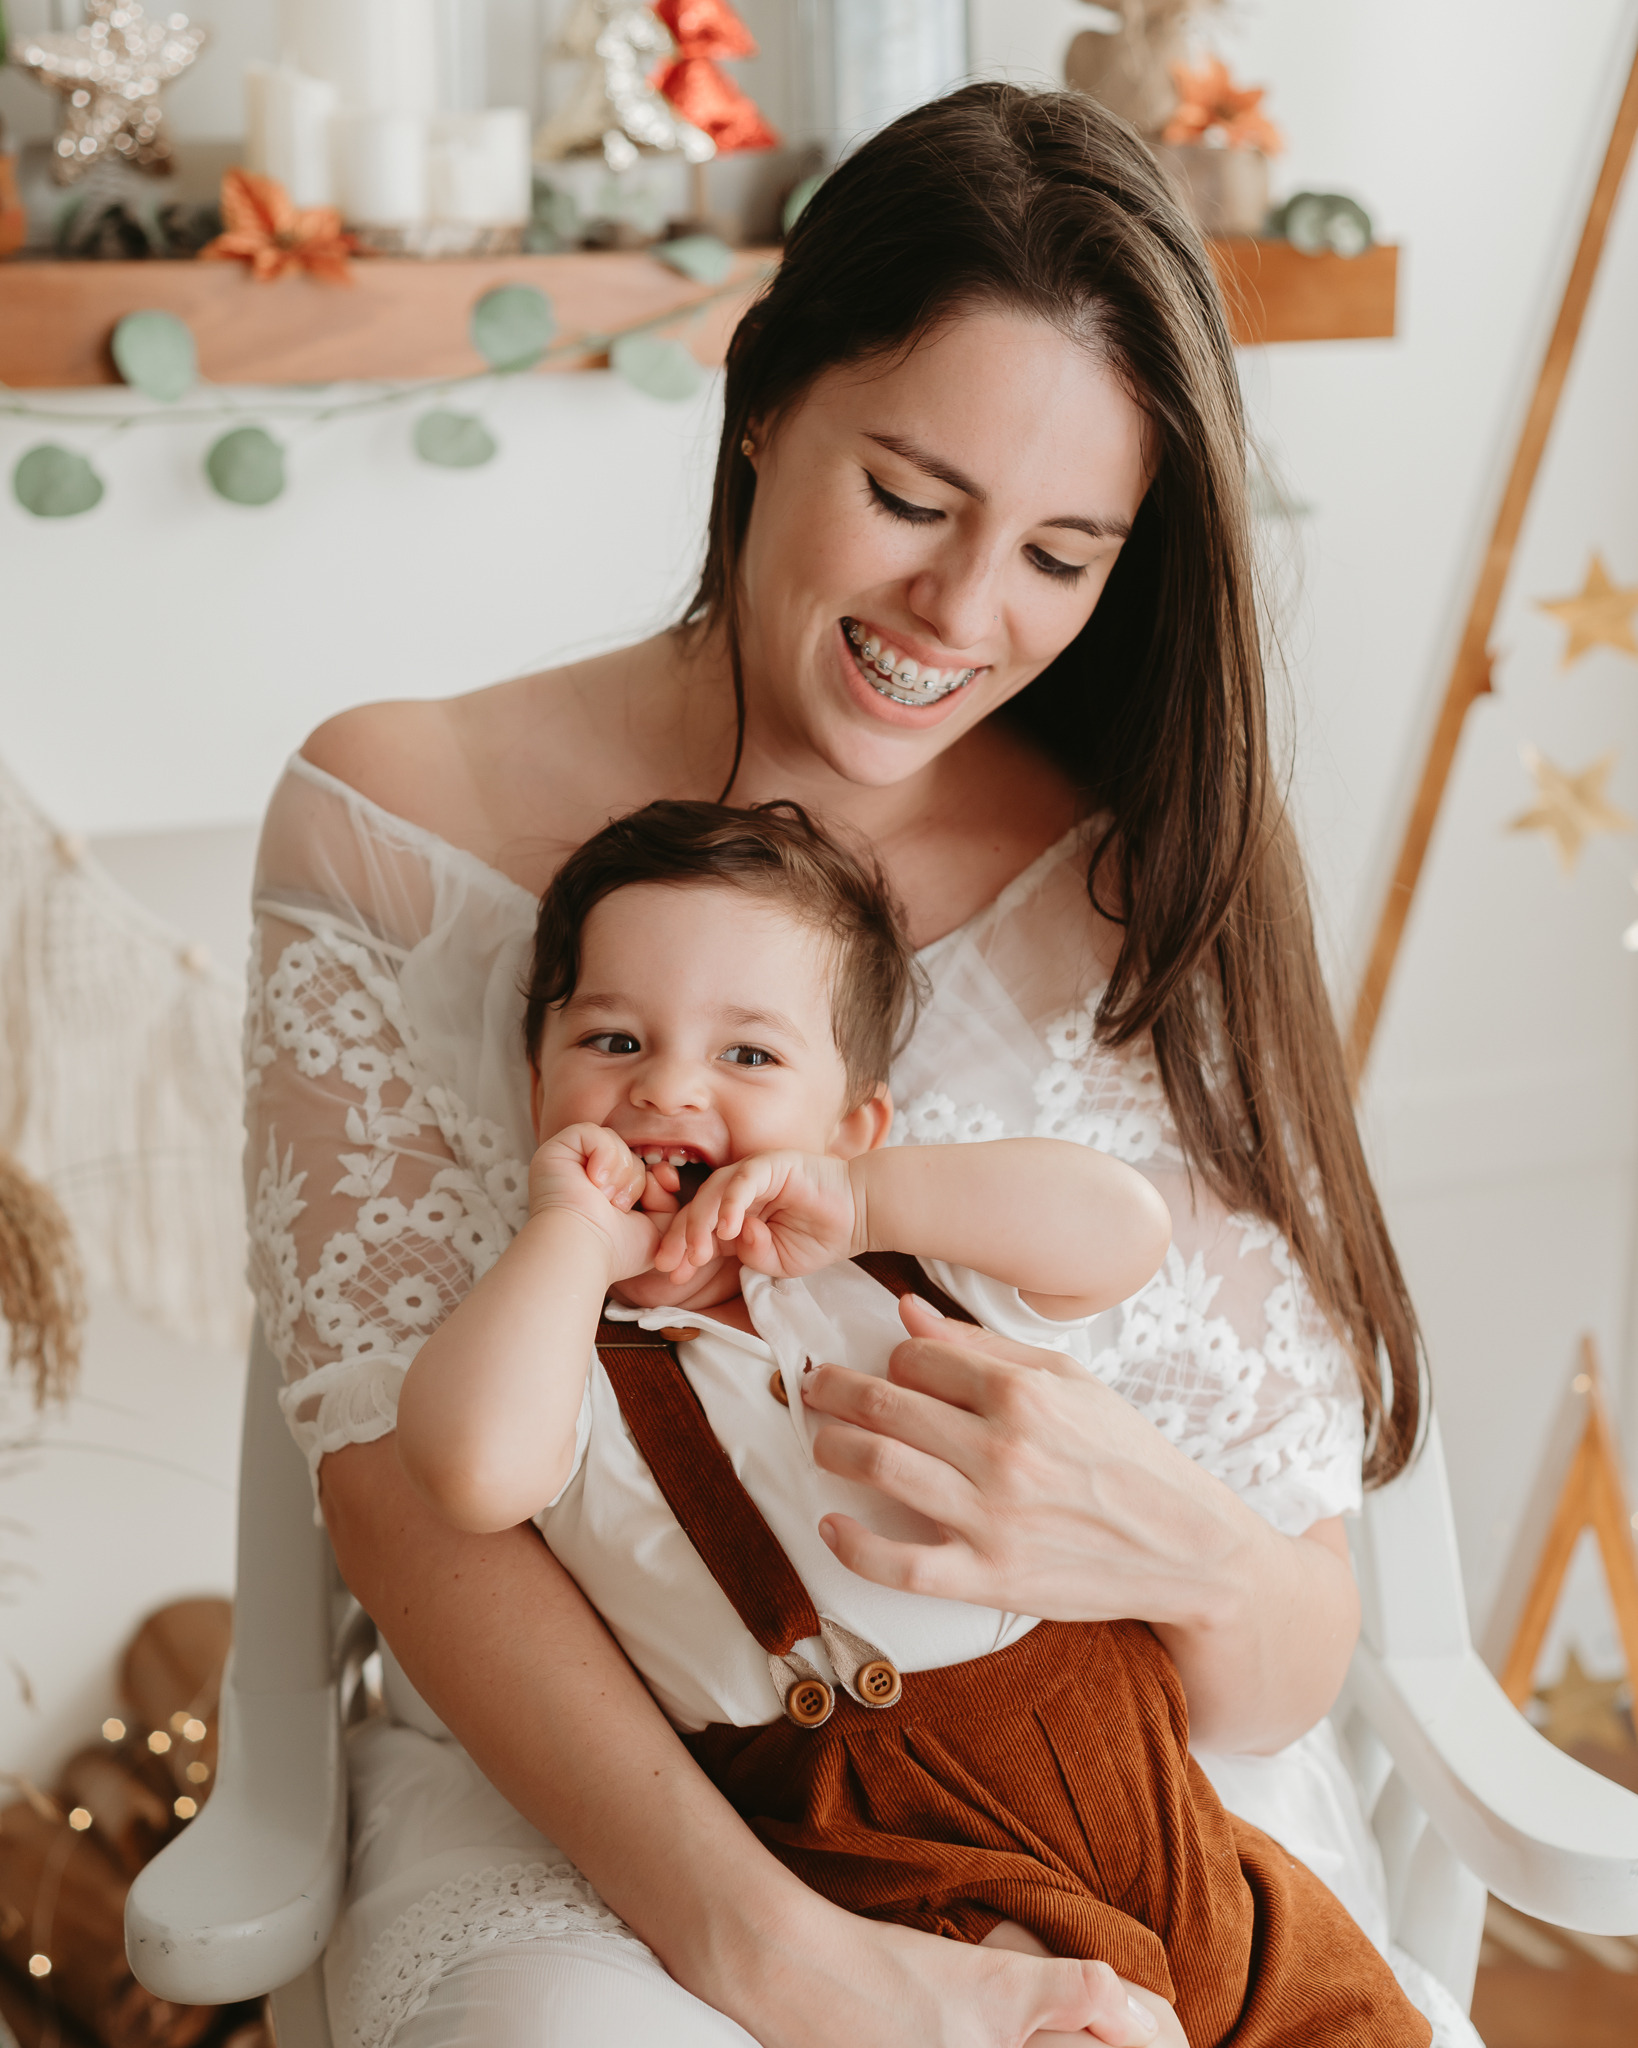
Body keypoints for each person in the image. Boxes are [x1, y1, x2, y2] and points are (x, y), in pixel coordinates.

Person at [245, 81, 1480, 2048]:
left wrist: (1166, 1538)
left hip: (1129, 1791)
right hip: (614, 1800)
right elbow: (410, 1491)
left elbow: (1278, 1661)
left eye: (1062, 552)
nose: (961, 615)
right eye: (910, 497)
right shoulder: (399, 808)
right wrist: (785, 1955)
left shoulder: (1156, 874)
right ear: (762, 397)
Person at [394, 797, 1431, 2048]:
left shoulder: (905, 1270)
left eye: (749, 1055)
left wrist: (872, 1199)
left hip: (1149, 1792)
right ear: (537, 1090)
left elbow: (1123, 1227)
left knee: (1344, 2014)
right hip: (880, 1857)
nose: (667, 1084)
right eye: (613, 1039)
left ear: (852, 1123)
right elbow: (470, 1470)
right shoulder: (555, 1347)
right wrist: (570, 1232)